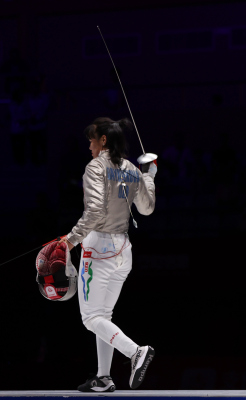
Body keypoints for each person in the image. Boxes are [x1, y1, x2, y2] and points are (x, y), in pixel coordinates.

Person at [59, 117, 157, 392]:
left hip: (99, 249)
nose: (89, 145)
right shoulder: (132, 170)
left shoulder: (96, 167)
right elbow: (147, 209)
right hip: (123, 250)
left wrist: (69, 241)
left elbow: (94, 213)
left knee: (91, 319)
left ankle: (136, 352)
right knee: (103, 315)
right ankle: (104, 378)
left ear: (103, 140)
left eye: (92, 139)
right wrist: (148, 176)